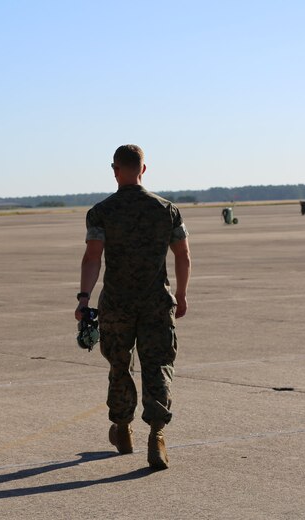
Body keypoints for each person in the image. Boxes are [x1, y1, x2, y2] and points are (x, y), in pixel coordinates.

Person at [75, 144, 191, 470]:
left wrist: (84, 299)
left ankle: (123, 428)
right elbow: (182, 255)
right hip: (157, 303)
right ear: (143, 169)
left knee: (119, 366)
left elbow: (92, 258)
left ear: (115, 169)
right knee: (158, 367)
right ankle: (156, 435)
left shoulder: (101, 211)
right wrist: (181, 294)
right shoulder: (166, 209)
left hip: (117, 304)